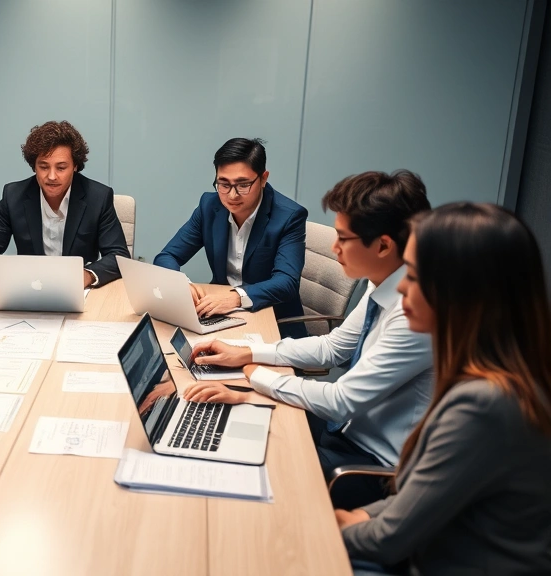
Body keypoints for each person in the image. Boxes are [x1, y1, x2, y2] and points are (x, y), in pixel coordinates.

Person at [184, 170, 433, 509]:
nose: (334, 248)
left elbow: (341, 400)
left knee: (234, 478)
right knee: (227, 431)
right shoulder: (384, 280)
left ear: (383, 245)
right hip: (341, 432)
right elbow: (333, 347)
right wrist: (246, 353)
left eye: (343, 238)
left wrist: (253, 377)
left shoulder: (413, 313)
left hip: (368, 470)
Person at [338, 203, 551, 574]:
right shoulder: (490, 379)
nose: (401, 285)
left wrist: (321, 527)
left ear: (465, 293)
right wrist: (357, 515)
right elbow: (418, 500)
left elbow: (390, 540)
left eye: (415, 276)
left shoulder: (484, 404)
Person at [153, 138, 308, 338]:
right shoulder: (209, 206)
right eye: (223, 184)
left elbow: (286, 282)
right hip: (220, 315)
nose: (232, 195)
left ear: (263, 179)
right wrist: (181, 284)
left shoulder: (289, 216)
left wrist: (237, 297)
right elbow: (167, 256)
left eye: (243, 185)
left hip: (272, 319)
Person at [0, 121, 130, 288]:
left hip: (78, 291)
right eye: (44, 167)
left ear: (75, 166)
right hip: (30, 288)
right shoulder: (14, 196)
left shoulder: (98, 197)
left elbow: (118, 256)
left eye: (61, 168)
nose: (52, 176)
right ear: (34, 167)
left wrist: (87, 275)